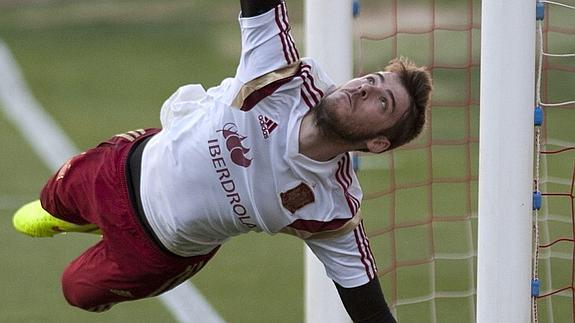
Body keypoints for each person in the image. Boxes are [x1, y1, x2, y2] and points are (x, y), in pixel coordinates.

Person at [12, 0, 432, 321]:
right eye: (371, 79)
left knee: (78, 290)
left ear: (377, 143)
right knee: (51, 201)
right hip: (121, 169)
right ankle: (70, 217)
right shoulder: (280, 75)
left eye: (382, 101)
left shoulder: (332, 209)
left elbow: (367, 303)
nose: (363, 88)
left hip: (158, 252)